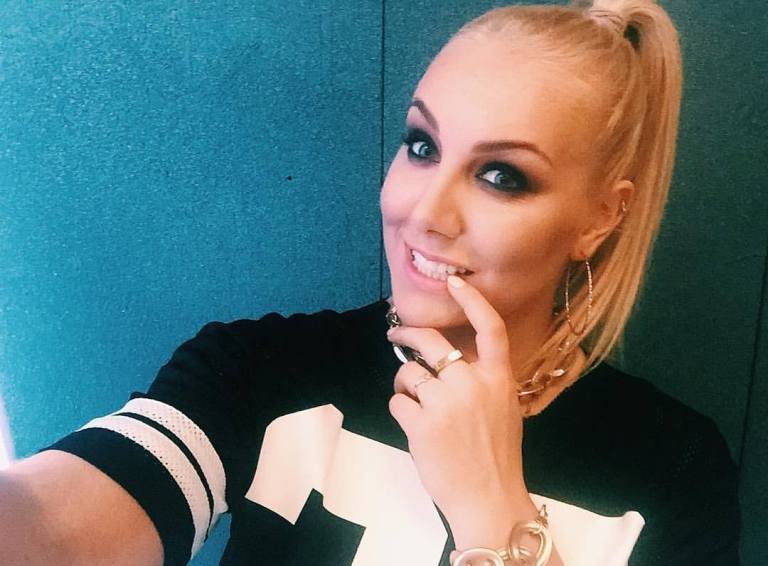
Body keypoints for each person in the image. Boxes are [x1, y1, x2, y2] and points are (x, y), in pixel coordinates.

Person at [0, 0, 741, 564]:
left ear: (599, 221)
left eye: (500, 176)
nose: (425, 211)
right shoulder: (259, 373)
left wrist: (494, 514)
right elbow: (56, 529)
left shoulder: (674, 469)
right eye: (422, 145)